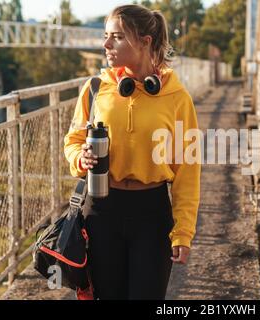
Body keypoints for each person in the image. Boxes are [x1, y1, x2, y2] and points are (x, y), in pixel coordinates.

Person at [63, 4, 201, 300]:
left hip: (152, 215)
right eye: (106, 36)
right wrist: (79, 158)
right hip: (100, 210)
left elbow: (187, 172)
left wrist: (183, 231)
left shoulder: (177, 98)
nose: (106, 44)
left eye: (117, 37)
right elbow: (73, 140)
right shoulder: (95, 88)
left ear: (144, 42)